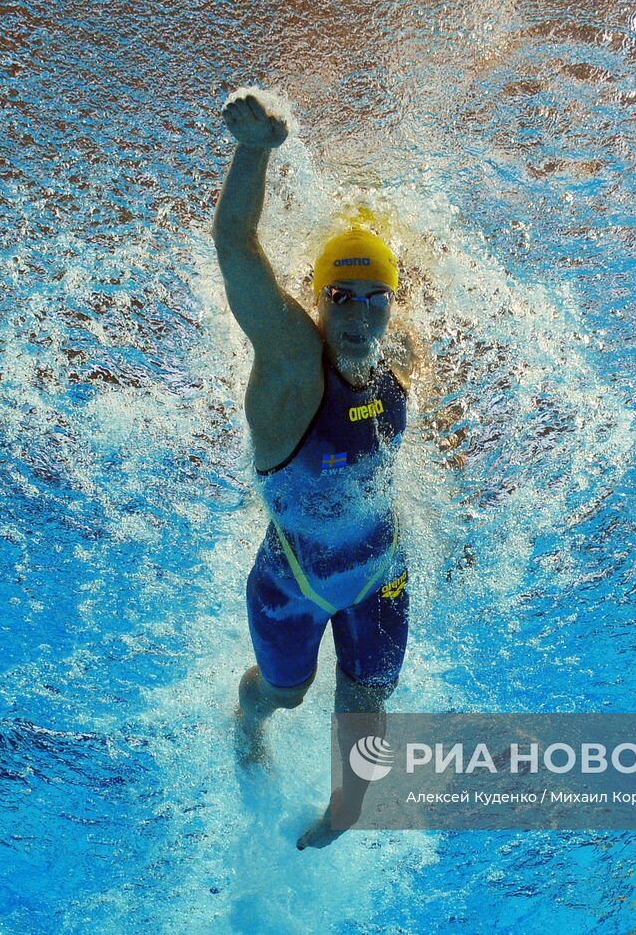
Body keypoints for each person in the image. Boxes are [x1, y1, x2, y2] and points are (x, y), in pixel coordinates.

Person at [212, 91, 418, 850]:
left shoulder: (395, 356)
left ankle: (345, 811)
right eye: (340, 297)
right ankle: (246, 718)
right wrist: (256, 149)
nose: (359, 316)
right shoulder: (295, 367)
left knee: (364, 711)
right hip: (292, 584)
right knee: (286, 696)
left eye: (375, 298)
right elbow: (236, 247)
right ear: (316, 298)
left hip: (381, 574)